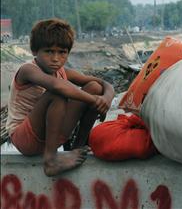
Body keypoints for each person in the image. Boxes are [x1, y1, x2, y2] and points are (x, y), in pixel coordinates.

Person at [6, 18, 115, 176]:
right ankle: (51, 160)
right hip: (25, 138)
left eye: (62, 52)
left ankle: (77, 146)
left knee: (94, 87)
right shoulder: (28, 70)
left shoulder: (62, 71)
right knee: (58, 94)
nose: (56, 58)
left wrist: (106, 99)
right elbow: (57, 86)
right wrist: (95, 101)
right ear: (35, 51)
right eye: (49, 51)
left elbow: (103, 83)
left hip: (52, 135)